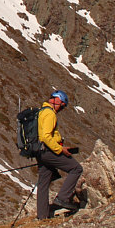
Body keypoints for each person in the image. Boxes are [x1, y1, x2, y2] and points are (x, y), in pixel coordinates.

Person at [37, 90, 83, 219]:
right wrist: (60, 149)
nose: (61, 108)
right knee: (76, 168)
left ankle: (42, 216)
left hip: (41, 152)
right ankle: (62, 198)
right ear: (56, 100)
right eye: (62, 105)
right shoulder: (50, 114)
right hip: (49, 151)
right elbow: (46, 136)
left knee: (43, 184)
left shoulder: (41, 112)